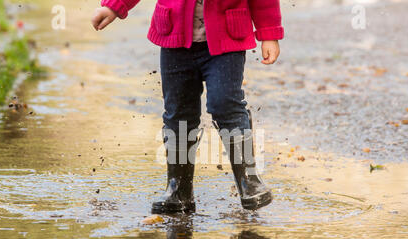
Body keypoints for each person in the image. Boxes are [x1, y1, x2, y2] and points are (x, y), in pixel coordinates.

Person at [92, 0, 284, 214]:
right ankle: (179, 189)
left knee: (225, 104)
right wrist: (114, 7)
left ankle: (249, 180)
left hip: (226, 40)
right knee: (178, 111)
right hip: (175, 40)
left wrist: (269, 33)